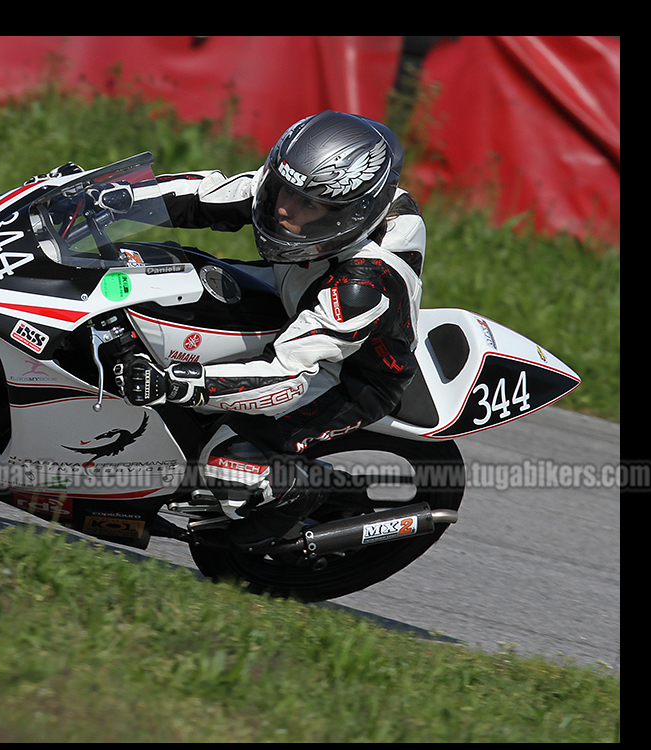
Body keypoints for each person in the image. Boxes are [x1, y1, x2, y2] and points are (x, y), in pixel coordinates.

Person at [120, 110, 427, 549]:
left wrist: (180, 384)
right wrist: (106, 198)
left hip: (347, 374)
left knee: (231, 465)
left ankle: (299, 499)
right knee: (161, 274)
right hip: (296, 296)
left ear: (349, 215)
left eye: (308, 205)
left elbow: (288, 375)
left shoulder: (364, 284)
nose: (284, 207)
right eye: (286, 190)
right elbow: (204, 195)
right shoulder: (311, 191)